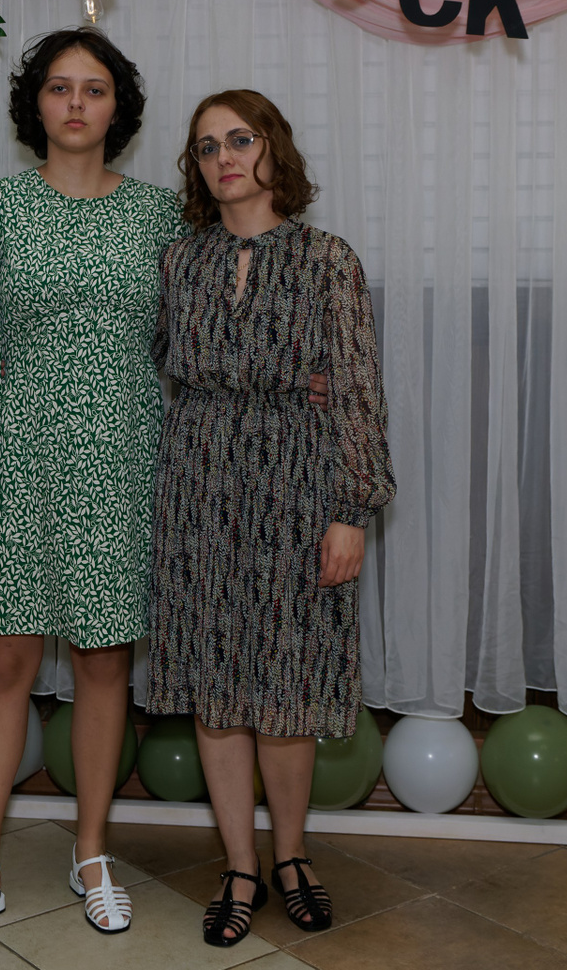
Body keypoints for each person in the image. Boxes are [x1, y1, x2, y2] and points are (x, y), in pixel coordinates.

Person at [0, 29, 181, 953]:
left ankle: (91, 852)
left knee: (104, 665)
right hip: (16, 464)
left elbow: (191, 348)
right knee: (4, 666)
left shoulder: (159, 216)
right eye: (59, 88)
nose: (75, 104)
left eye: (94, 89)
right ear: (35, 104)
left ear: (118, 107)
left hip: (122, 465)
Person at [147, 89, 395, 948]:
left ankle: (293, 856)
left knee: (287, 687)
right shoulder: (180, 261)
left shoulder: (328, 260)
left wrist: (351, 508)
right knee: (218, 688)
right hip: (199, 480)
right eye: (207, 145)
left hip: (300, 482)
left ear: (271, 148)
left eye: (240, 139)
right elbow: (160, 360)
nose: (225, 156)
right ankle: (239, 866)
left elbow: (357, 388)